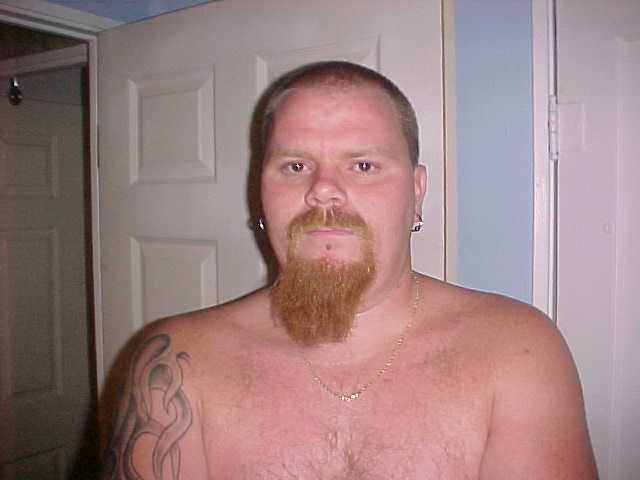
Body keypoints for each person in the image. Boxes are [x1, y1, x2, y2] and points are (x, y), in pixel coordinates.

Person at [101, 61, 598, 479]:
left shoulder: (515, 350)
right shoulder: (177, 363)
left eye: (363, 165)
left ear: (417, 193)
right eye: (295, 166)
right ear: (261, 192)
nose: (323, 190)